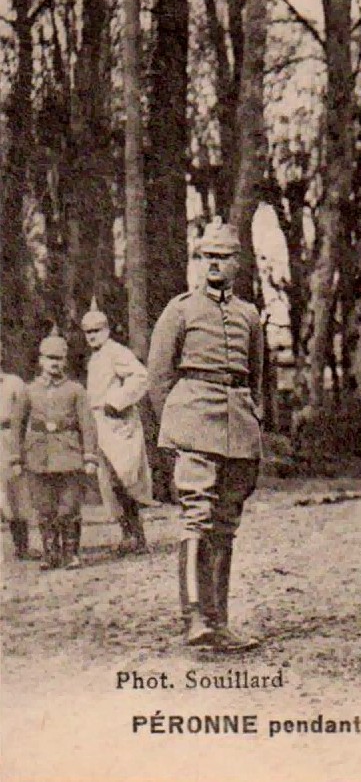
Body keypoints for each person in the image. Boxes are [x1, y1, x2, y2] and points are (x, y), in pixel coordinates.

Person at [147, 222, 265, 652]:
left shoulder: (249, 315)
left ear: (237, 263)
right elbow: (158, 377)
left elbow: (257, 376)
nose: (214, 264)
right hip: (195, 419)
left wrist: (255, 419)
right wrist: (177, 426)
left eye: (223, 256)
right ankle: (195, 617)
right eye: (207, 256)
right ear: (199, 262)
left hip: (239, 423)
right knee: (197, 514)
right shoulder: (179, 310)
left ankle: (221, 621)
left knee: (227, 522)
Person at [81, 301, 155, 556]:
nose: (92, 336)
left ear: (107, 330)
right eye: (88, 332)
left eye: (97, 331)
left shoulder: (117, 352)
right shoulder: (95, 358)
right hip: (99, 425)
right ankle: (127, 535)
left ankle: (138, 536)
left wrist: (118, 400)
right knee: (109, 482)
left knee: (125, 479)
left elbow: (141, 376)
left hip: (118, 423)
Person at [22, 329, 98, 570]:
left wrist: (90, 456)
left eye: (59, 358)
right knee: (44, 508)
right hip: (39, 455)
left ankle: (71, 553)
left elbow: (87, 424)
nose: (54, 364)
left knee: (69, 507)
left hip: (69, 454)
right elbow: (17, 425)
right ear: (41, 360)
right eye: (49, 358)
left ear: (65, 361)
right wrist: (16, 457)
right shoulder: (29, 390)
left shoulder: (76, 390)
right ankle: (50, 553)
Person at [1, 337, 32, 560]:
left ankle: (22, 546)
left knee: (15, 491)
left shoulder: (13, 383)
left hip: (8, 437)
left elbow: (26, 415)